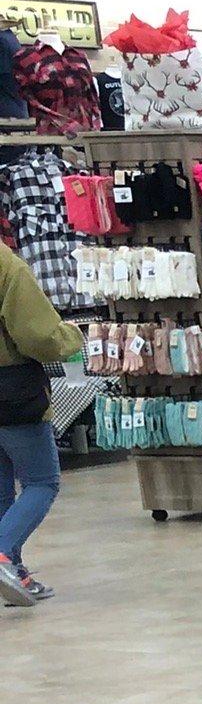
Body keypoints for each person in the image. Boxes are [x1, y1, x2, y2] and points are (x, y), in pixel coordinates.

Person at [0, 240, 83, 606]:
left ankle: (15, 572)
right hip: (12, 390)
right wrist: (71, 336)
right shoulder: (8, 268)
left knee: (2, 492)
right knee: (41, 482)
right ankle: (2, 554)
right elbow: (38, 336)